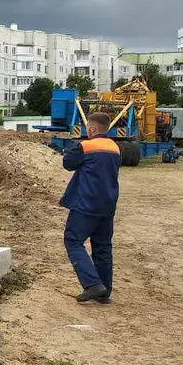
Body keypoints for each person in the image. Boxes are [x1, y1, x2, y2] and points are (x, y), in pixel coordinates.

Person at [59, 111, 121, 303]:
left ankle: (92, 284)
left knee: (73, 240)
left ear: (93, 128)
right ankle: (104, 292)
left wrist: (72, 150)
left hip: (86, 203)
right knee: (102, 247)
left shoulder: (86, 146)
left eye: (88, 127)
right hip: (108, 205)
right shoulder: (115, 148)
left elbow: (67, 163)